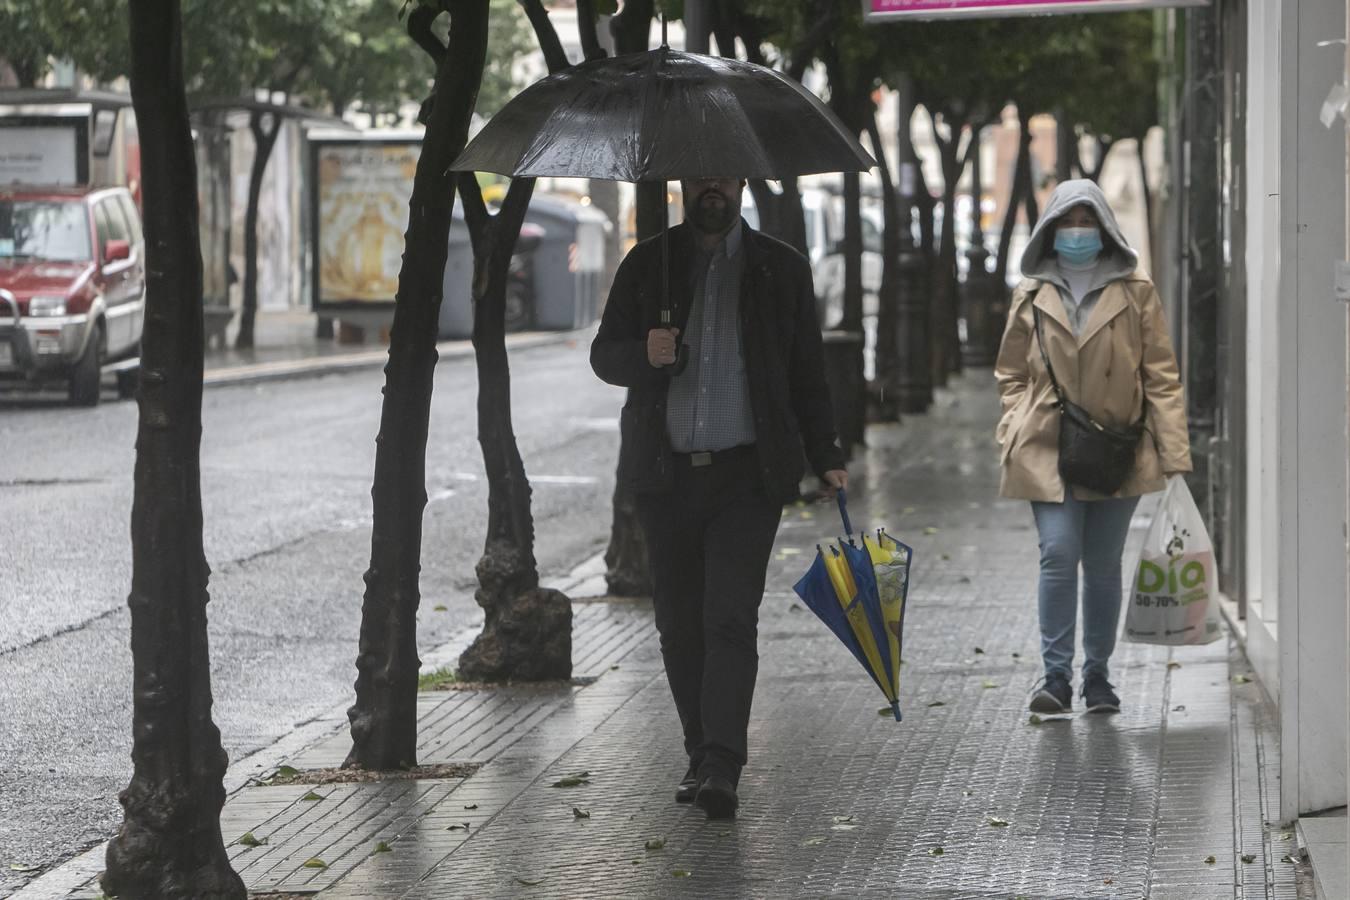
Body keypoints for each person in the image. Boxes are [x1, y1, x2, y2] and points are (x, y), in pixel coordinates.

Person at [590, 177, 847, 819]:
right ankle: (700, 750)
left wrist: (828, 456)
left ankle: (721, 766)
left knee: (729, 617)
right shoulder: (649, 262)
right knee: (678, 625)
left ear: (739, 183)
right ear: (683, 184)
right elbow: (604, 355)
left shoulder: (779, 268)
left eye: (724, 174)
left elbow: (807, 371)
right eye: (700, 175)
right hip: (665, 474)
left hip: (746, 476)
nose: (713, 187)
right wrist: (643, 353)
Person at [994, 179, 1191, 716]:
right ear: (1051, 229)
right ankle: (1054, 677)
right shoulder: (1032, 292)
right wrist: (1015, 422)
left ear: (1102, 228)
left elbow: (1161, 376)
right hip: (1046, 445)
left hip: (1116, 446)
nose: (1077, 232)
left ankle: (1097, 678)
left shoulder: (1135, 290)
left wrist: (1173, 454)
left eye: (1086, 221)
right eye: (1067, 221)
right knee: (1058, 554)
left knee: (1102, 565)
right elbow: (1010, 372)